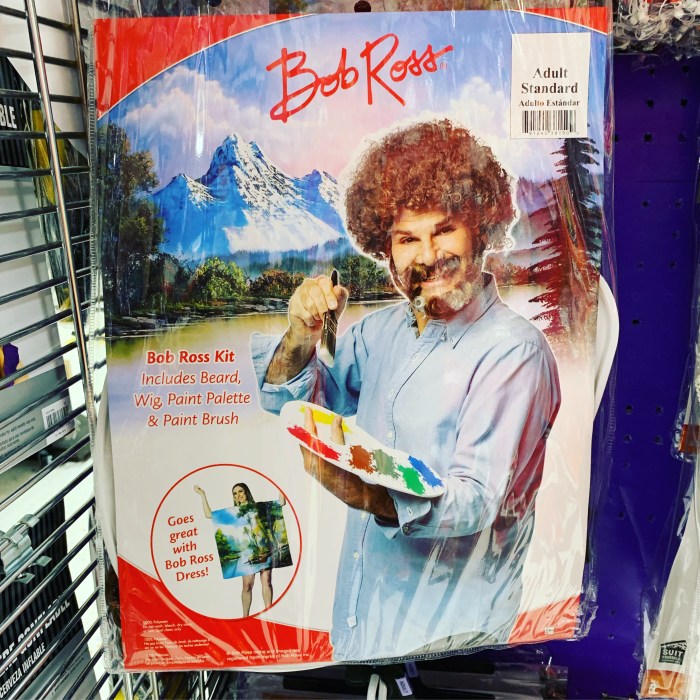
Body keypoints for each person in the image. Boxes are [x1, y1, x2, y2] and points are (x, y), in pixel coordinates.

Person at [250, 119, 561, 660]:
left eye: (445, 230)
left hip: (454, 652)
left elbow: (475, 502)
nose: (427, 255)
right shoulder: (382, 332)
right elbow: (295, 405)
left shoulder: (515, 352)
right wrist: (301, 334)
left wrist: (365, 492)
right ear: (385, 248)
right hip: (361, 632)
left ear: (481, 228)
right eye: (407, 238)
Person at [194, 482, 286, 616]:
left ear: (246, 492)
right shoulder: (234, 512)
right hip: (247, 553)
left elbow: (281, 502)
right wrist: (202, 495)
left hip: (264, 548)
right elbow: (208, 514)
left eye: (240, 491)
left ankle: (269, 614)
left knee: (266, 581)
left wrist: (281, 483)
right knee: (247, 586)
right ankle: (245, 616)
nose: (238, 495)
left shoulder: (258, 507)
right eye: (235, 493)